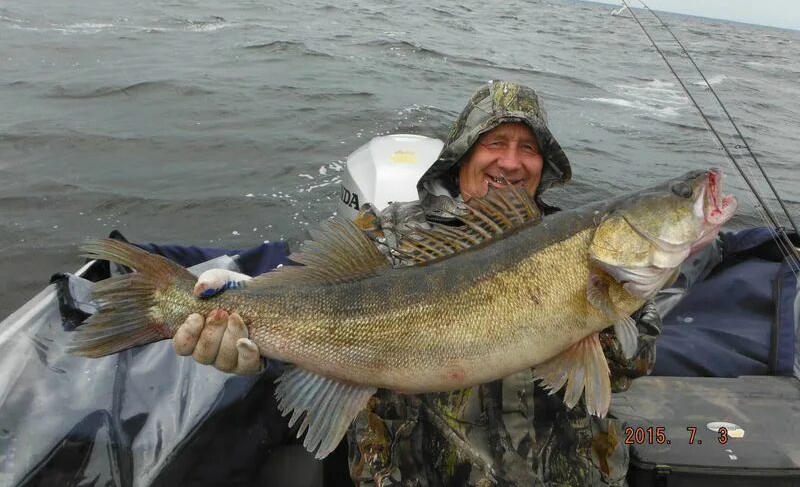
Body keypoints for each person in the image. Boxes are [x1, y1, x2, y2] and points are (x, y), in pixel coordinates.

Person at [173, 80, 662, 486]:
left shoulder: (582, 248)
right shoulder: (386, 234)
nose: (511, 162)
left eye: (528, 149)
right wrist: (245, 311)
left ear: (544, 165)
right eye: (495, 142)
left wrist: (608, 304)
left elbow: (631, 365)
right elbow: (315, 307)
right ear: (464, 153)